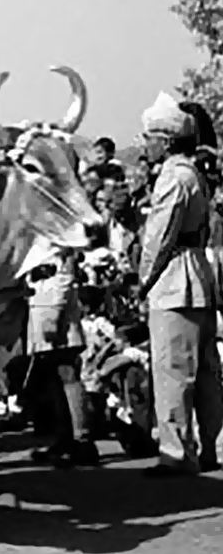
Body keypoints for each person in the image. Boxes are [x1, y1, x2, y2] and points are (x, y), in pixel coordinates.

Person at [136, 91, 222, 476]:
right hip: (199, 275)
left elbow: (158, 239)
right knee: (205, 372)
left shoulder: (173, 178)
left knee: (173, 371)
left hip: (174, 281)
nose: (146, 145)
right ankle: (210, 447)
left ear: (166, 141)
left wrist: (142, 281)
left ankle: (176, 451)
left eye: (150, 138)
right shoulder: (197, 175)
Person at [25, 243, 100, 467]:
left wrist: (53, 318)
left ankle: (82, 439)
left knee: (68, 380)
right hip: (42, 317)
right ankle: (64, 439)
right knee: (55, 387)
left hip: (58, 326)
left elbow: (64, 277)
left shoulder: (57, 240)